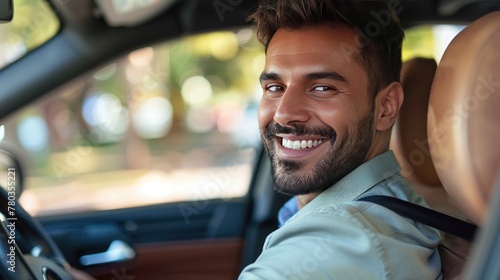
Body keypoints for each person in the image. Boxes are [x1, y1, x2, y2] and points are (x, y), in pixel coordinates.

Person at [239, 0, 442, 279]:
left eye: (322, 87)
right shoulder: (393, 207)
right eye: (275, 87)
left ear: (386, 107)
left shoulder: (340, 246)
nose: (284, 114)